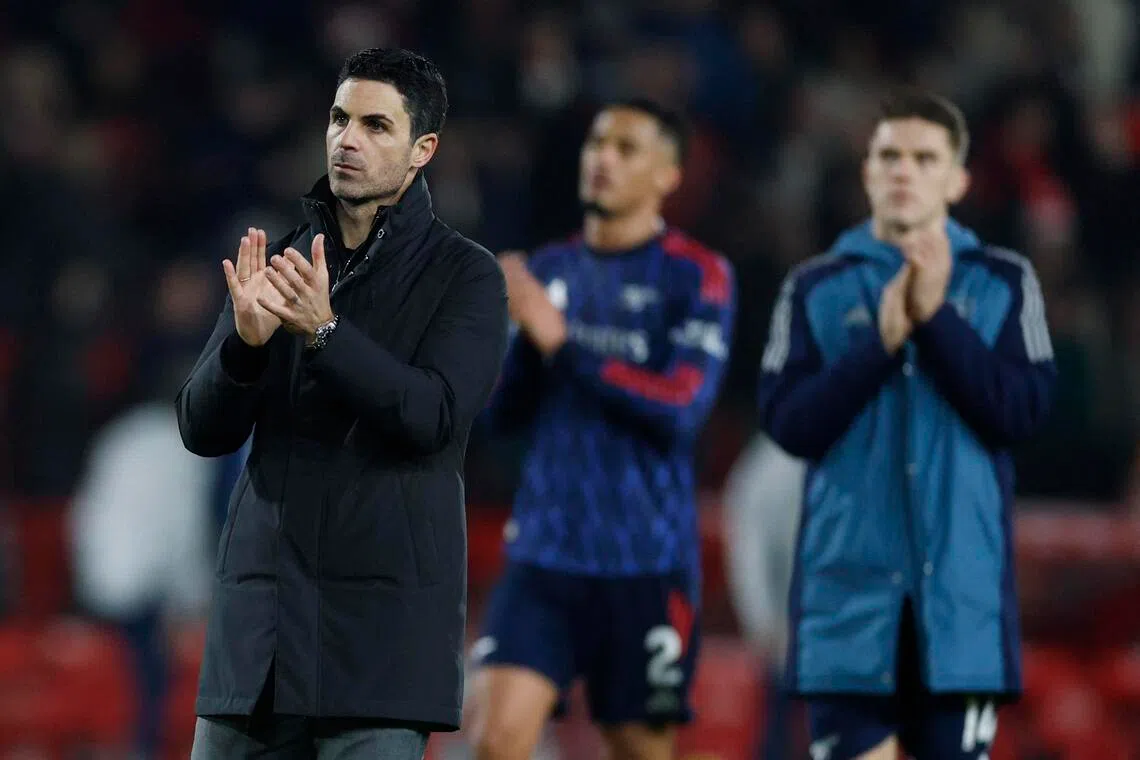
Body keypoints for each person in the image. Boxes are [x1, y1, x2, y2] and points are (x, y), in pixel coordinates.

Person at [177, 48, 509, 759]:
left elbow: (434, 417)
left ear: (423, 150)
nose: (347, 139)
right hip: (258, 648)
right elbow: (201, 430)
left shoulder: (466, 276)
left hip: (378, 657)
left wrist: (326, 334)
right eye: (339, 118)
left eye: (376, 125)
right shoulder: (283, 260)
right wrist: (244, 349)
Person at [757, 89, 1057, 760]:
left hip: (961, 617)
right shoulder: (814, 286)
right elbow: (788, 425)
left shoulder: (1004, 282)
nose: (903, 171)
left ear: (957, 179)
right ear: (866, 172)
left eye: (925, 158)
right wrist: (880, 344)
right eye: (889, 156)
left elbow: (1024, 413)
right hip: (846, 616)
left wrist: (937, 321)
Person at [467, 99, 736, 760]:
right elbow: (503, 418)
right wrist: (518, 340)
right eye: (597, 144)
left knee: (639, 752)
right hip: (545, 555)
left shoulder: (696, 274)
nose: (603, 159)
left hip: (646, 563)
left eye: (626, 148)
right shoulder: (548, 271)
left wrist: (563, 345)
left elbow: (680, 409)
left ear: (668, 174)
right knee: (495, 744)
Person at [721, 432, 805, 760]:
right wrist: (763, 622)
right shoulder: (768, 463)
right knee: (778, 735)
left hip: (849, 630)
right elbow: (748, 546)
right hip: (783, 627)